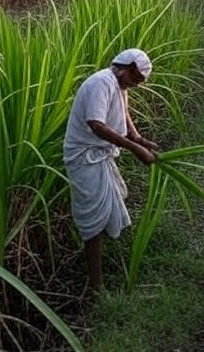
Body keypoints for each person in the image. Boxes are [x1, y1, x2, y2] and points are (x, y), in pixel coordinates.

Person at [63, 48, 161, 292]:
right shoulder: (101, 83)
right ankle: (96, 284)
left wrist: (140, 139)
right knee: (91, 222)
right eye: (136, 79)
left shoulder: (119, 86)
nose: (137, 85)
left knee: (104, 209)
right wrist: (133, 149)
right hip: (85, 158)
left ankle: (99, 259)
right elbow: (96, 125)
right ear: (127, 68)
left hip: (99, 156)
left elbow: (123, 114)